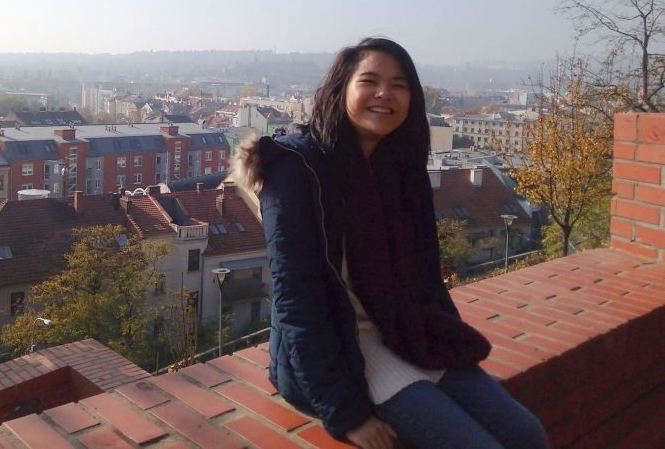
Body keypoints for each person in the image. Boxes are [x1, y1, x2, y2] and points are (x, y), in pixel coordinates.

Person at [233, 38, 548, 449]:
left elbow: (425, 276)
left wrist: (445, 340)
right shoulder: (297, 169)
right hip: (338, 351)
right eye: (370, 80)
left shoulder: (399, 168)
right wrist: (345, 413)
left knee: (527, 434)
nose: (385, 93)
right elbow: (298, 300)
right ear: (340, 89)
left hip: (404, 332)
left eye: (400, 84)